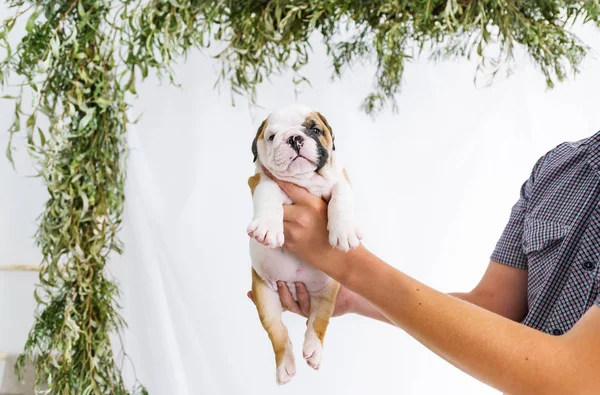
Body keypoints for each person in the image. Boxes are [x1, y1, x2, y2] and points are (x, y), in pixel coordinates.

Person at [247, 131, 600, 394]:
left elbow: (573, 379)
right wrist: (351, 296)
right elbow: (493, 308)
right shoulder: (560, 166)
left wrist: (349, 264)